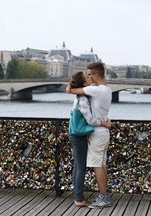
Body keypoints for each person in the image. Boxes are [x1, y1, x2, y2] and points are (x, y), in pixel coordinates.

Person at [67, 62, 112, 208]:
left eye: (90, 74)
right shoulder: (105, 90)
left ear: (96, 75)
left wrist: (71, 87)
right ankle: (103, 196)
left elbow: (70, 90)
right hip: (102, 133)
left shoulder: (96, 91)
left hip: (97, 134)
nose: (89, 77)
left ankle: (103, 198)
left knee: (97, 166)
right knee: (102, 164)